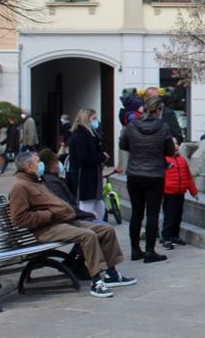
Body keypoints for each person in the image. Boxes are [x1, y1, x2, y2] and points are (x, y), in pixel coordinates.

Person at [8, 152, 136, 298]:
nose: (41, 164)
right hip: (48, 228)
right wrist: (49, 214)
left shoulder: (37, 181)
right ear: (29, 167)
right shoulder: (20, 187)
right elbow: (19, 218)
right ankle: (96, 282)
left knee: (106, 229)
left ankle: (112, 274)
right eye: (38, 162)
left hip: (65, 221)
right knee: (88, 236)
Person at [120, 96, 175, 263]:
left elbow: (123, 145)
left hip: (134, 174)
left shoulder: (132, 125)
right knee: (152, 213)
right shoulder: (163, 127)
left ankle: (135, 249)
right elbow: (170, 150)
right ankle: (150, 251)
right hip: (154, 174)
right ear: (159, 110)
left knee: (137, 212)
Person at [67, 109, 109, 221]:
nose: (96, 121)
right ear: (87, 119)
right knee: (87, 206)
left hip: (92, 176)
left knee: (98, 205)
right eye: (93, 118)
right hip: (85, 178)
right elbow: (83, 159)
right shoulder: (80, 136)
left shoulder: (92, 135)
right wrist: (102, 156)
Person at [39, 149, 98, 222]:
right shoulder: (52, 183)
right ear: (50, 167)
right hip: (69, 220)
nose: (59, 164)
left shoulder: (53, 179)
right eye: (57, 162)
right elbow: (67, 206)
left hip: (71, 217)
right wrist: (89, 214)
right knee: (106, 229)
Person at [161, 138, 198, 250]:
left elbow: (188, 177)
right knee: (169, 216)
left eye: (177, 144)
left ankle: (174, 236)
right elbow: (161, 178)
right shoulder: (164, 160)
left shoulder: (182, 160)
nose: (176, 146)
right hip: (169, 192)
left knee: (178, 215)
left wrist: (194, 192)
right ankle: (166, 237)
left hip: (180, 192)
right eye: (173, 144)